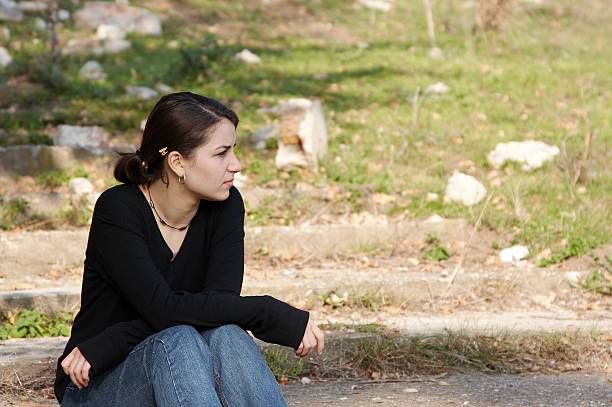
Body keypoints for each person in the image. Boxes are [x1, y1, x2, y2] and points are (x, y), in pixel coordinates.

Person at [54, 92, 324, 406]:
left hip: (170, 373)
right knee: (178, 339)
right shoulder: (119, 210)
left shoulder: (226, 205)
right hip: (97, 381)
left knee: (227, 333)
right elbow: (163, 310)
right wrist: (268, 312)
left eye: (233, 150)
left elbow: (219, 307)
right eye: (221, 153)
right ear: (178, 162)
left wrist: (111, 340)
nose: (235, 165)